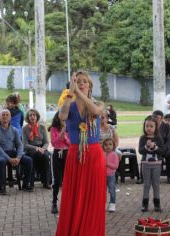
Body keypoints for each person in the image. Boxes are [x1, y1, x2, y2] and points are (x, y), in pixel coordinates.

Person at [56, 71, 105, 236]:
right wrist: (71, 94)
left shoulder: (98, 103)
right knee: (75, 193)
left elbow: (96, 112)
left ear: (90, 86)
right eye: (78, 81)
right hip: (75, 153)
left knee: (93, 196)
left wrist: (80, 94)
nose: (81, 84)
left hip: (94, 154)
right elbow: (62, 116)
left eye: (85, 82)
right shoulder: (68, 103)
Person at [0, 109, 33, 195]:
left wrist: (18, 157)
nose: (5, 116)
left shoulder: (14, 130)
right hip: (0, 154)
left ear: (10, 118)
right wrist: (9, 159)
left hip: (11, 152)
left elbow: (20, 145)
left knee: (28, 160)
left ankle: (25, 184)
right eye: (3, 115)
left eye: (7, 115)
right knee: (2, 161)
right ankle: (1, 187)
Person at [139, 115, 164, 212]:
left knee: (156, 184)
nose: (148, 128)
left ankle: (157, 204)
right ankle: (144, 204)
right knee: (146, 184)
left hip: (157, 164)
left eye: (151, 126)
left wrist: (154, 147)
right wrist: (146, 146)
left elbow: (162, 151)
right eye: (147, 126)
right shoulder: (143, 138)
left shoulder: (158, 138)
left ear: (155, 127)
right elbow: (140, 151)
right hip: (146, 164)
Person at [22, 109, 51, 189]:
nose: (32, 117)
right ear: (28, 117)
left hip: (42, 148)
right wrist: (37, 148)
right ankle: (31, 183)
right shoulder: (25, 128)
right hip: (31, 149)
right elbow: (25, 144)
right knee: (34, 156)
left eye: (34, 115)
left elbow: (46, 142)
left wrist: (43, 149)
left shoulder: (42, 127)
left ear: (37, 116)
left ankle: (46, 182)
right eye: (30, 115)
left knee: (45, 157)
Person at [49, 111, 70, 214]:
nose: (64, 119)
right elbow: (54, 143)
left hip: (67, 153)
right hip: (57, 154)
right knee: (57, 180)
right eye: (62, 117)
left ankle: (67, 203)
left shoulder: (70, 128)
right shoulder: (53, 129)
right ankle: (54, 202)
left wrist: (65, 136)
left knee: (67, 179)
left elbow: (71, 143)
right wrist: (61, 133)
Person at [152, 110, 170, 184]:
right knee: (146, 154)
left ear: (161, 118)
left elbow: (169, 140)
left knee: (169, 155)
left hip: (165, 148)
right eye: (153, 117)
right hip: (154, 147)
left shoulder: (166, 126)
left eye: (156, 117)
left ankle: (169, 177)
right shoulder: (152, 125)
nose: (154, 119)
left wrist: (163, 148)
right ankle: (143, 177)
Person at [103, 138, 119, 212]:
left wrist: (107, 164)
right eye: (106, 145)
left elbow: (115, 166)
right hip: (102, 176)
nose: (108, 146)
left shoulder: (114, 155)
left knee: (112, 190)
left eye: (110, 144)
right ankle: (103, 204)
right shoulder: (102, 154)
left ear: (113, 145)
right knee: (103, 191)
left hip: (111, 176)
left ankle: (112, 204)